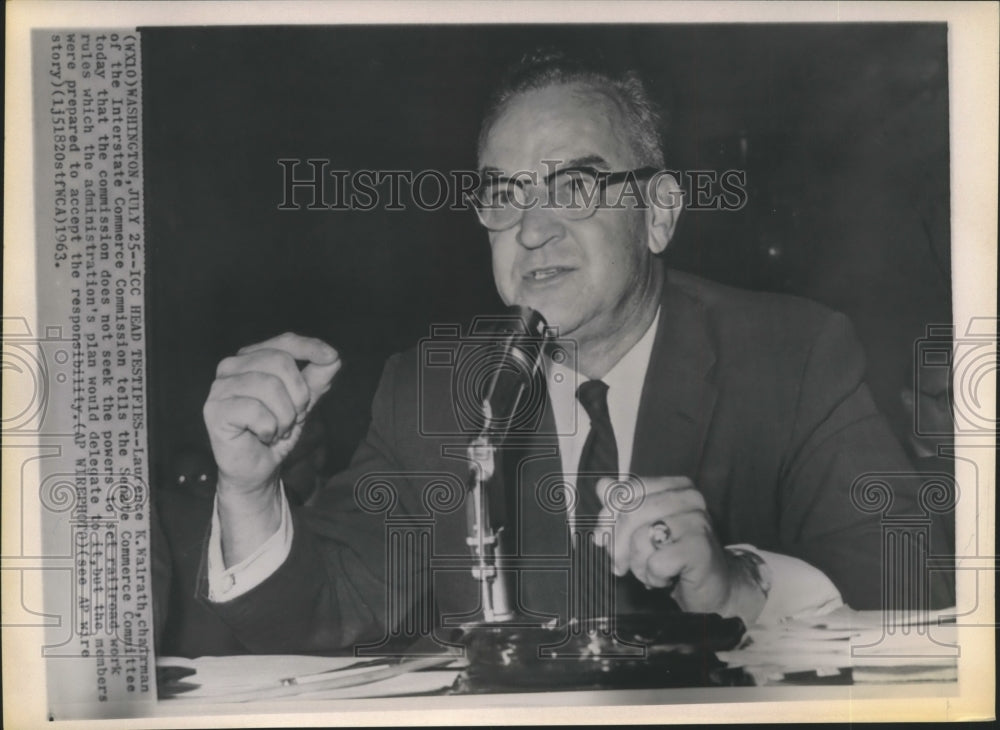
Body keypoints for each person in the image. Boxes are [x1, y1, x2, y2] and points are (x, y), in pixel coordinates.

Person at [197, 49, 953, 653]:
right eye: (504, 194)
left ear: (657, 215)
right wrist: (251, 492)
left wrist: (738, 585)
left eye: (576, 187)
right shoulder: (434, 387)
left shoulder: (794, 357)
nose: (531, 229)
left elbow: (918, 601)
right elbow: (320, 614)